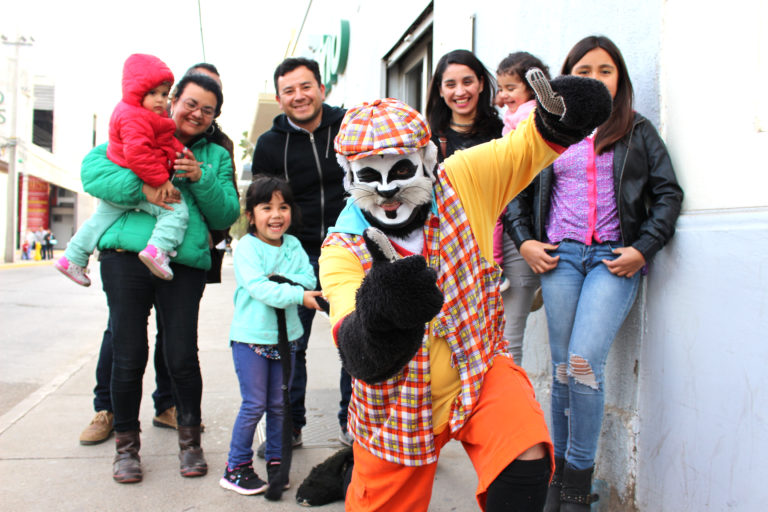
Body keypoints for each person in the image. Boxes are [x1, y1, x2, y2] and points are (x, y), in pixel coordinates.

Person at [299, 66, 612, 509]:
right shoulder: (341, 250)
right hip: (395, 405)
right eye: (370, 175)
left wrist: (557, 120)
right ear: (350, 179)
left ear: (427, 160)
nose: (387, 190)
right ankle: (351, 470)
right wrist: (384, 312)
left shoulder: (463, 179)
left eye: (401, 169)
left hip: (478, 368)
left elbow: (525, 149)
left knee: (525, 459)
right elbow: (355, 345)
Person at [504, 36, 683, 511]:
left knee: (583, 364)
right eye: (584, 70)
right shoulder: (547, 132)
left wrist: (643, 250)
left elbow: (668, 194)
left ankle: (578, 485)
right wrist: (524, 240)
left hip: (611, 261)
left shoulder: (636, 129)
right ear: (566, 77)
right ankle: (559, 481)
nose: (594, 78)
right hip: (560, 260)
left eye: (605, 70)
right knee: (562, 370)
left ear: (619, 79)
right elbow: (514, 191)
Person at [79, 72, 240, 483]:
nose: (197, 114)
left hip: (182, 264)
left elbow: (226, 214)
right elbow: (93, 174)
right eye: (190, 103)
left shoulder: (216, 156)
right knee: (129, 353)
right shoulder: (135, 126)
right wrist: (149, 185)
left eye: (208, 109)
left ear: (214, 117)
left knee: (182, 354)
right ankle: (126, 449)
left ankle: (190, 444)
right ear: (172, 101)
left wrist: (199, 178)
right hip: (125, 257)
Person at [250, 57, 352, 454]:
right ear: (279, 99)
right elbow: (261, 205)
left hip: (350, 250)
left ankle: (353, 422)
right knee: (292, 344)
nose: (299, 96)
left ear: (321, 89)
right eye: (289, 90)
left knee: (355, 342)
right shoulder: (270, 144)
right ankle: (288, 426)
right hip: (297, 255)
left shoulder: (348, 125)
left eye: (306, 86)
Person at [220, 175, 322, 498]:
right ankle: (235, 467)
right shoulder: (248, 248)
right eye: (267, 207)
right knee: (255, 405)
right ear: (251, 215)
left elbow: (307, 277)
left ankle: (277, 461)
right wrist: (293, 292)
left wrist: (279, 281)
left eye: (283, 207)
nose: (276, 215)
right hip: (250, 339)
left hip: (286, 338)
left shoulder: (293, 245)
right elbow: (260, 289)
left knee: (280, 405)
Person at [55, 54, 188, 287]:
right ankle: (159, 249)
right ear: (137, 92)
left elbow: (163, 140)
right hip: (140, 179)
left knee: (99, 219)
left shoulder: (145, 115)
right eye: (152, 93)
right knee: (176, 210)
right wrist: (161, 182)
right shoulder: (133, 117)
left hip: (124, 184)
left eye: (164, 94)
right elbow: (139, 155)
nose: (160, 100)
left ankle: (72, 257)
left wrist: (181, 151)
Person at [494, 51, 551, 365]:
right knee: (503, 339)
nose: (503, 95)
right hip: (510, 230)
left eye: (510, 88)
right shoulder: (511, 123)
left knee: (508, 342)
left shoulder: (534, 120)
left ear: (532, 87)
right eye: (500, 88)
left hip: (524, 238)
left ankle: (512, 412)